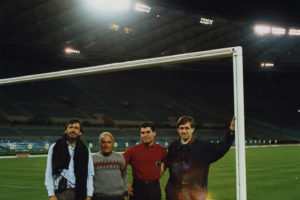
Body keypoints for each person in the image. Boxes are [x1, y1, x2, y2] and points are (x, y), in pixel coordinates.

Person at [165, 115, 235, 200]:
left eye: (187, 128)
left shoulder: (203, 147)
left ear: (192, 129)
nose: (184, 131)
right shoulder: (172, 147)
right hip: (175, 195)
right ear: (178, 130)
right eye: (181, 128)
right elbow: (166, 165)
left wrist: (231, 130)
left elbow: (221, 148)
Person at [45, 118, 94, 200]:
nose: (73, 130)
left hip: (80, 192)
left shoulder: (85, 150)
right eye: (70, 127)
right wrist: (51, 195)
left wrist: (89, 195)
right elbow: (49, 172)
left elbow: (90, 174)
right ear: (65, 130)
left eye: (76, 128)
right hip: (61, 193)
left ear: (80, 132)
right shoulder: (55, 147)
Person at [123, 122, 167, 200]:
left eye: (148, 132)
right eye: (142, 133)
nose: (145, 135)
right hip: (137, 188)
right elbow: (119, 166)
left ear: (154, 133)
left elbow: (166, 163)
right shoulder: (132, 151)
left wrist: (159, 176)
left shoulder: (161, 150)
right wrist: (125, 183)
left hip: (154, 188)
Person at [92, 132, 128, 200]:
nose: (106, 145)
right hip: (98, 197)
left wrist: (125, 193)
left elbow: (124, 175)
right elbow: (89, 179)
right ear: (99, 144)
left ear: (113, 144)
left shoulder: (120, 158)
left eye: (109, 142)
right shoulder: (92, 159)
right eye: (103, 142)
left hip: (118, 197)